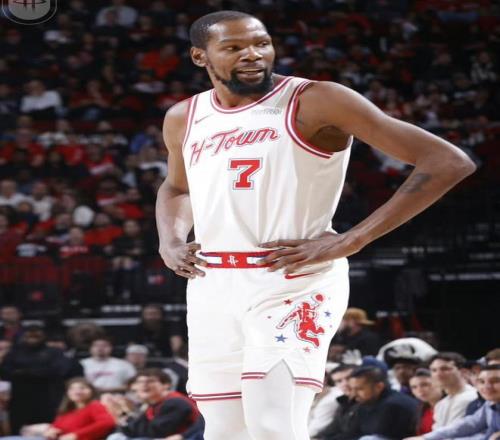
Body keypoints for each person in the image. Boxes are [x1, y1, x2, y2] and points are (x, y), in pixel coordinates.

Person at [155, 10, 475, 440]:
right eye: (234, 47)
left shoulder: (316, 100)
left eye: (261, 43)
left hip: (291, 279)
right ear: (200, 56)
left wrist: (354, 239)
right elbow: (177, 188)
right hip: (212, 284)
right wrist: (171, 240)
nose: (252, 55)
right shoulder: (184, 116)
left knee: (273, 425)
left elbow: (447, 161)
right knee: (225, 430)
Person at [0, 326, 72, 434]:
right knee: (19, 433)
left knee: (49, 432)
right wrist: (39, 371)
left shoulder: (55, 352)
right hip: (20, 401)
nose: (33, 338)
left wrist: (23, 372)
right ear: (23, 337)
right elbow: (5, 374)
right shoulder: (13, 353)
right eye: (29, 335)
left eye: (36, 335)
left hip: (49, 399)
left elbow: (61, 371)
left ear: (44, 336)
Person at [404, 364, 500, 440]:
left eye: (495, 381)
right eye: (482, 382)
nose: (487, 386)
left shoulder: (468, 398)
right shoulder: (489, 403)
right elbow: (470, 424)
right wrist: (426, 438)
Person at [107, 369, 203, 440]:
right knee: (116, 437)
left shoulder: (175, 402)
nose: (144, 385)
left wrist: (127, 414)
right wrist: (121, 414)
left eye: (150, 381)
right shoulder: (153, 403)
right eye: (139, 382)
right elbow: (134, 431)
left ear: (166, 385)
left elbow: (155, 433)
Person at [15, 377, 116, 440]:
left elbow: (107, 423)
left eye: (82, 388)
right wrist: (50, 431)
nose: (77, 391)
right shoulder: (67, 410)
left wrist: (76, 435)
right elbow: (56, 426)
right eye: (72, 389)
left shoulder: (94, 406)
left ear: (91, 391)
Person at [345, 366, 418, 439]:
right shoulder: (365, 403)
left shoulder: (394, 406)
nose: (354, 394)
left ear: (379, 386)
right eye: (352, 389)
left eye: (359, 389)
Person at [428, 352, 478, 429]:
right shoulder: (441, 404)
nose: (438, 374)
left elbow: (455, 431)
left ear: (462, 372)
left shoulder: (472, 397)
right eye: (434, 370)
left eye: (444, 369)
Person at [409, 369, 444, 435]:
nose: (419, 390)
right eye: (414, 387)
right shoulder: (420, 409)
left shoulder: (451, 405)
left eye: (425, 385)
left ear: (440, 384)